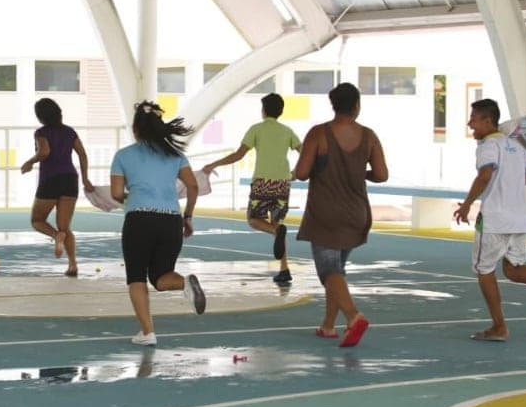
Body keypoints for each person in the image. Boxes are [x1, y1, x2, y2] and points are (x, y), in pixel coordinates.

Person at [453, 98, 526, 342]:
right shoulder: (516, 145)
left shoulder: (487, 146)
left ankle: (499, 326)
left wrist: (467, 204)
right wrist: (515, 184)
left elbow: (485, 175)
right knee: (513, 269)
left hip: (495, 218)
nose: (470, 123)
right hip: (519, 218)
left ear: (488, 120)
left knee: (484, 270)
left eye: (473, 118)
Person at [292, 83, 388, 348]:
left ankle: (353, 316)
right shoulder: (369, 136)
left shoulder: (319, 134)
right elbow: (381, 174)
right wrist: (358, 172)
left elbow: (301, 172)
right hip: (356, 213)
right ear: (357, 105)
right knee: (338, 271)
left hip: (325, 213)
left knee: (329, 271)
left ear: (333, 105)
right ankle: (328, 326)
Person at [111, 101, 205, 346]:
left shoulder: (123, 156)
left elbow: (116, 193)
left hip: (139, 219)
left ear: (136, 129)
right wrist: (188, 216)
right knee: (162, 276)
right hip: (171, 220)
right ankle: (185, 282)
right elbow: (193, 186)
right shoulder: (176, 155)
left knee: (137, 277)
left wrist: (130, 197)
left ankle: (148, 332)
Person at [202, 92, 301, 285]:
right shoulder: (287, 131)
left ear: (264, 111)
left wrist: (214, 164)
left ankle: (277, 237)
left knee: (254, 220)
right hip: (282, 183)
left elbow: (238, 155)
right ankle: (284, 269)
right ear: (281, 111)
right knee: (277, 223)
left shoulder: (256, 129)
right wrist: (296, 172)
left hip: (262, 183)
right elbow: (304, 150)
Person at [20, 98, 94, 277]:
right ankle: (73, 265)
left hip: (50, 180)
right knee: (65, 227)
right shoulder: (70, 132)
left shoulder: (41, 132)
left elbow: (44, 152)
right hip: (70, 179)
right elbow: (82, 154)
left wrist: (30, 161)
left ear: (40, 116)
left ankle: (55, 236)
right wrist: (85, 179)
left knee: (37, 220)